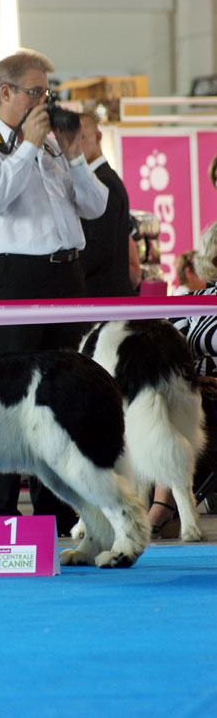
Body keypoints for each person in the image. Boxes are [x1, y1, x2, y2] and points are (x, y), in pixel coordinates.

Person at [0, 49, 108, 533]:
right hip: (17, 276)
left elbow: (96, 207)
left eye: (47, 91)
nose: (45, 99)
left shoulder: (51, 147)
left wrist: (75, 153)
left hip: (68, 275)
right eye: (36, 91)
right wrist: (27, 146)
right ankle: (1, 513)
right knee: (10, 394)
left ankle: (57, 510)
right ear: (7, 92)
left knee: (65, 393)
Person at [151, 221, 217, 534]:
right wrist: (191, 377)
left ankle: (162, 507)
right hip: (193, 392)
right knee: (161, 396)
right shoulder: (196, 300)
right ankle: (159, 505)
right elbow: (166, 351)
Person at [78, 112, 135, 297]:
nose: (75, 145)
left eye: (82, 137)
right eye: (70, 139)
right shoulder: (102, 179)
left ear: (98, 136)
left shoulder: (104, 182)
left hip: (103, 296)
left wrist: (66, 270)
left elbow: (101, 247)